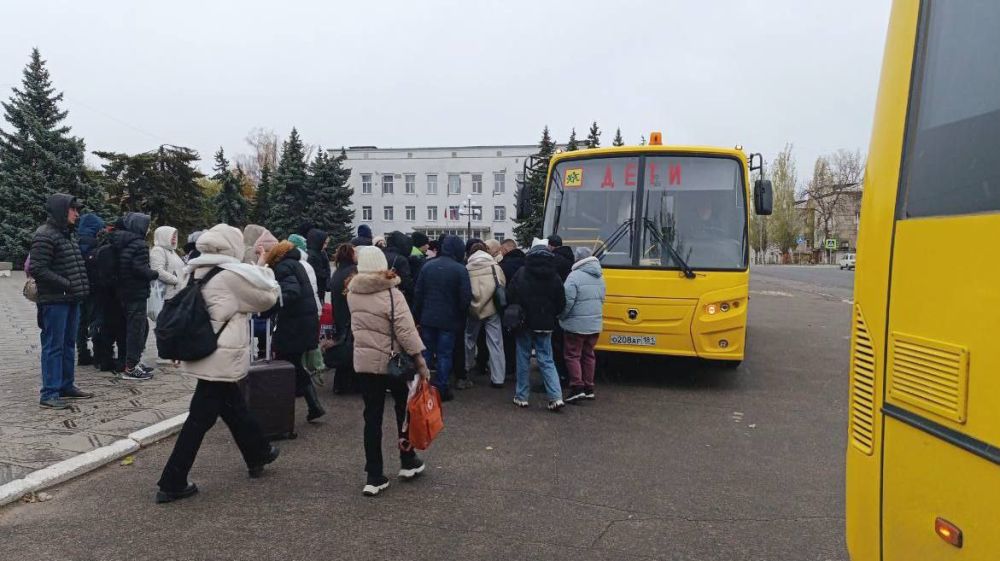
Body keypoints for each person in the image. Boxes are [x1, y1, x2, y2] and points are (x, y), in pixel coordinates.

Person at [156, 224, 281, 504]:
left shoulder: (196, 269)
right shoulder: (231, 275)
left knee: (233, 407)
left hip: (206, 351)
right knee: (200, 419)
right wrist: (264, 267)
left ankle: (258, 452)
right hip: (220, 356)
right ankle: (172, 481)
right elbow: (266, 299)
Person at [347, 247, 430, 496]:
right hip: (393, 362)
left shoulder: (352, 293)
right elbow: (406, 332)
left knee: (371, 416)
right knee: (403, 410)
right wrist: (420, 360)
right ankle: (407, 458)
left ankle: (374, 475)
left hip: (364, 362)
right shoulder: (392, 295)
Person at [30, 194, 93, 409]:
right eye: (73, 209)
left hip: (70, 299)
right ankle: (49, 393)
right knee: (53, 346)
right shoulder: (45, 235)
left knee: (67, 345)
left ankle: (66, 385)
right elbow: (38, 268)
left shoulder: (67, 235)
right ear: (61, 210)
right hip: (54, 300)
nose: (77, 214)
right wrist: (67, 284)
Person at [265, 241, 325, 422]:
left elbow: (291, 292)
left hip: (293, 324)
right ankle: (313, 405)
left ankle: (283, 409)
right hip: (304, 321)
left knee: (286, 363)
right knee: (294, 363)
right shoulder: (296, 264)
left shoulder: (283, 268)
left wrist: (269, 306)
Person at [507, 243, 566, 411]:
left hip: (524, 323)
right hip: (545, 324)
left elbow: (510, 295)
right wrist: (551, 314)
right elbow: (561, 302)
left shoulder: (522, 272)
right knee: (547, 359)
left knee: (523, 358)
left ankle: (522, 396)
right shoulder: (554, 275)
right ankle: (555, 397)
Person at [413, 235, 471, 402]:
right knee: (445, 354)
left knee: (426, 353)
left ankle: (422, 387)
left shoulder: (427, 266)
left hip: (428, 318)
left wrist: (417, 316)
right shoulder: (460, 269)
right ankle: (441, 388)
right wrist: (461, 316)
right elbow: (465, 298)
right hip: (450, 320)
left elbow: (419, 293)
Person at [111, 212, 158, 380]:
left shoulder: (121, 241)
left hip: (122, 291)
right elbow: (139, 268)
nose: (148, 229)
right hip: (136, 292)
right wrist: (154, 274)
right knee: (136, 329)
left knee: (129, 328)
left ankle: (130, 362)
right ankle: (131, 367)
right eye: (147, 225)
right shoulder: (139, 244)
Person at [559, 247, 606, 403]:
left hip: (576, 324)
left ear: (577, 259)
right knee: (589, 355)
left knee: (573, 355)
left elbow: (567, 301)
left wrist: (562, 317)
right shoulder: (600, 276)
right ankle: (589, 387)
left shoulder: (574, 276)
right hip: (594, 324)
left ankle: (576, 387)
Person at [465, 242, 506, 389]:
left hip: (472, 310)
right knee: (495, 343)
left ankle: (466, 370)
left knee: (469, 340)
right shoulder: (495, 266)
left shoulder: (467, 268)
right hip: (492, 308)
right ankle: (498, 378)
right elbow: (502, 284)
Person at [326, 243, 358, 394]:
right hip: (349, 315)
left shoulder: (337, 272)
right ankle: (347, 384)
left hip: (339, 313)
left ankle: (340, 384)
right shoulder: (353, 272)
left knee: (343, 347)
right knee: (350, 350)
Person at [75, 213, 105, 366]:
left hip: (78, 290)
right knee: (96, 320)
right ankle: (99, 355)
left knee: (80, 322)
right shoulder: (96, 245)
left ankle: (82, 353)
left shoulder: (75, 243)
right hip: (94, 289)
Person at [547, 235, 574, 384]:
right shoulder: (570, 258)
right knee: (565, 345)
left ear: (551, 246)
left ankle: (558, 377)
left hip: (554, 308)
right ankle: (567, 376)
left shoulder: (554, 261)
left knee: (555, 346)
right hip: (566, 306)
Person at [498, 240, 526, 380]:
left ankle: (509, 368)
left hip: (508, 308)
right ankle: (521, 368)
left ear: (506, 249)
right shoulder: (526, 263)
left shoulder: (503, 266)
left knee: (508, 339)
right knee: (522, 339)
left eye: (502, 250)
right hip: (525, 307)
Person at [288, 234, 322, 314]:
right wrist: (318, 310)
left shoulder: (285, 264)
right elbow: (312, 290)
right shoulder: (306, 265)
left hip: (294, 311)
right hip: (307, 310)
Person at [150, 226, 186, 300]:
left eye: (175, 235)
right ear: (163, 236)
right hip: (165, 294)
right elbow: (157, 270)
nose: (174, 237)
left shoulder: (172, 251)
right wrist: (175, 280)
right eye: (171, 234)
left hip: (175, 293)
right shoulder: (158, 250)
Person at [383, 231, 414, 303]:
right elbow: (406, 281)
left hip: (380, 293)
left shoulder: (381, 254)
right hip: (396, 295)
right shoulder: (401, 259)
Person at [306, 228, 331, 305]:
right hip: (315, 290)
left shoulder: (321, 252)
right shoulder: (311, 255)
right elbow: (318, 273)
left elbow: (327, 268)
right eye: (324, 243)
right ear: (318, 242)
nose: (326, 246)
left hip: (320, 289)